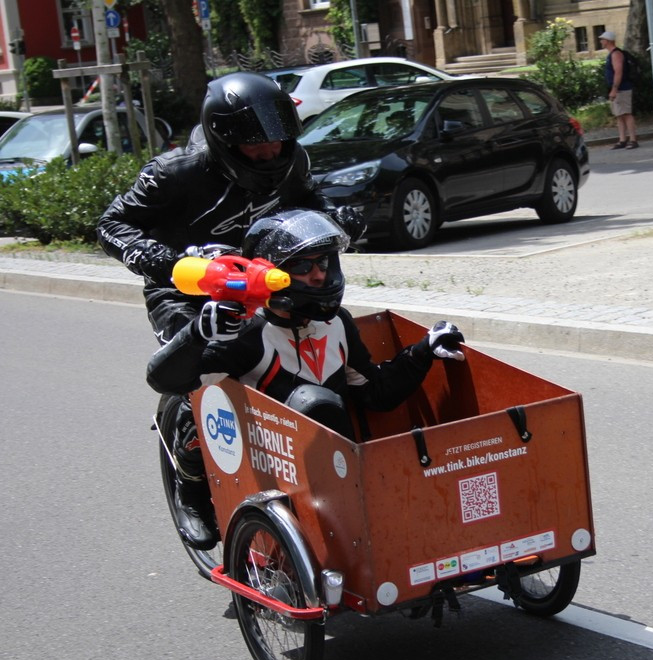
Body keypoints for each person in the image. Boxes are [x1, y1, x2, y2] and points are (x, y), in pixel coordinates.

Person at [146, 209, 466, 549]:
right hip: (264, 463)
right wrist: (197, 334)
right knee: (196, 396)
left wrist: (423, 351)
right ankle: (191, 487)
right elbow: (163, 379)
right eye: (302, 267)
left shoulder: (338, 323)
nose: (317, 276)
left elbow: (377, 394)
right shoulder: (245, 334)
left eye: (323, 264)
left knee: (322, 405)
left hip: (332, 467)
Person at [98, 71, 364, 345]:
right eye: (255, 144)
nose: (270, 151)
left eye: (276, 138)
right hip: (186, 290)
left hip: (267, 284)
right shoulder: (172, 173)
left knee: (323, 339)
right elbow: (111, 224)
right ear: (224, 140)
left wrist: (335, 216)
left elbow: (310, 199)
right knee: (196, 367)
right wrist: (154, 257)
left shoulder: (294, 159)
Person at [599, 30, 639, 150]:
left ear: (608, 41)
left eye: (602, 39)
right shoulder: (612, 53)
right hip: (618, 88)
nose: (601, 41)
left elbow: (618, 72)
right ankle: (622, 139)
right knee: (619, 115)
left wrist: (614, 89)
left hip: (622, 88)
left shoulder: (616, 54)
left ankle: (632, 139)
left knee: (626, 114)